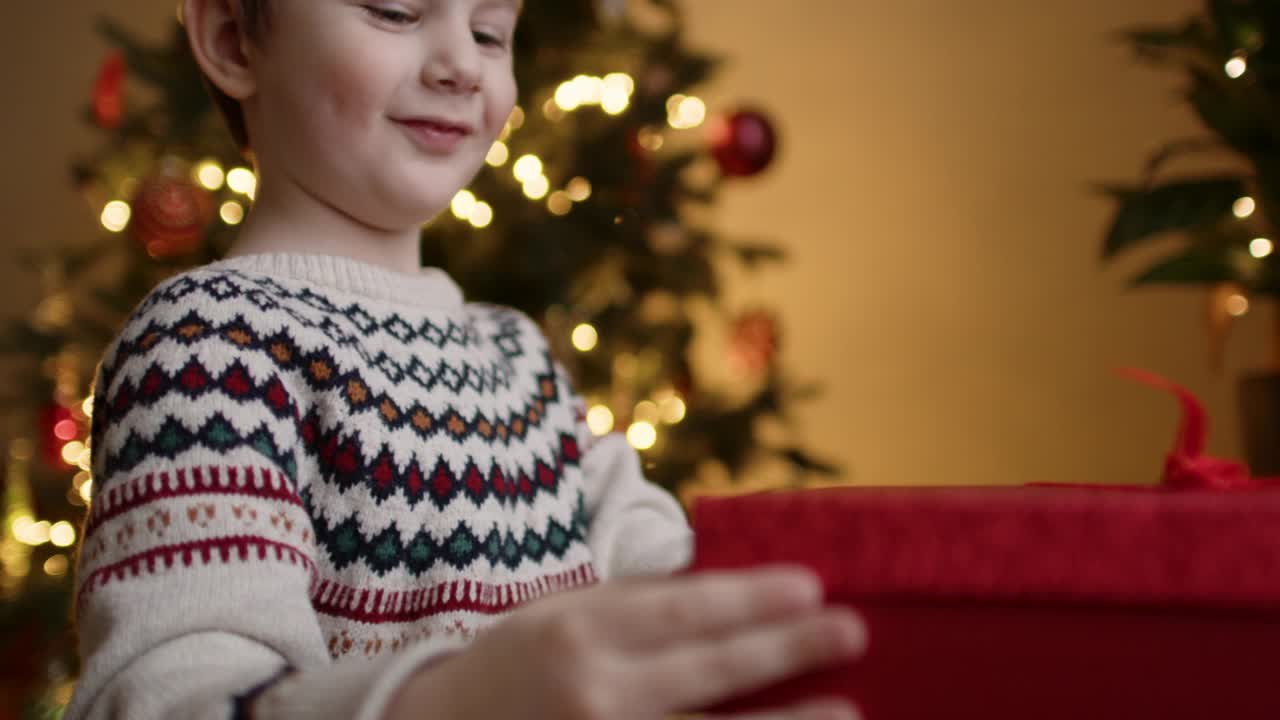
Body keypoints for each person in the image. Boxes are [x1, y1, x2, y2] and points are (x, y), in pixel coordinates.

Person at [66, 1, 867, 718]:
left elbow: (655, 558)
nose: (460, 64)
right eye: (393, 11)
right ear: (234, 39)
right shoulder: (206, 347)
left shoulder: (517, 358)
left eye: (490, 31)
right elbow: (167, 693)